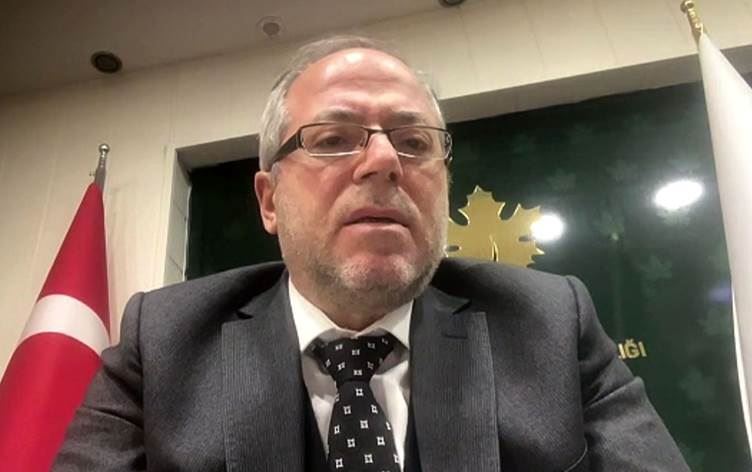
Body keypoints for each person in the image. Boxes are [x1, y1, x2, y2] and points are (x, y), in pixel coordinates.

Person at [54, 36, 689, 471]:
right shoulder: (163, 343)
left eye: (414, 142)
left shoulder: (551, 324)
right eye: (334, 138)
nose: (385, 161)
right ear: (269, 201)